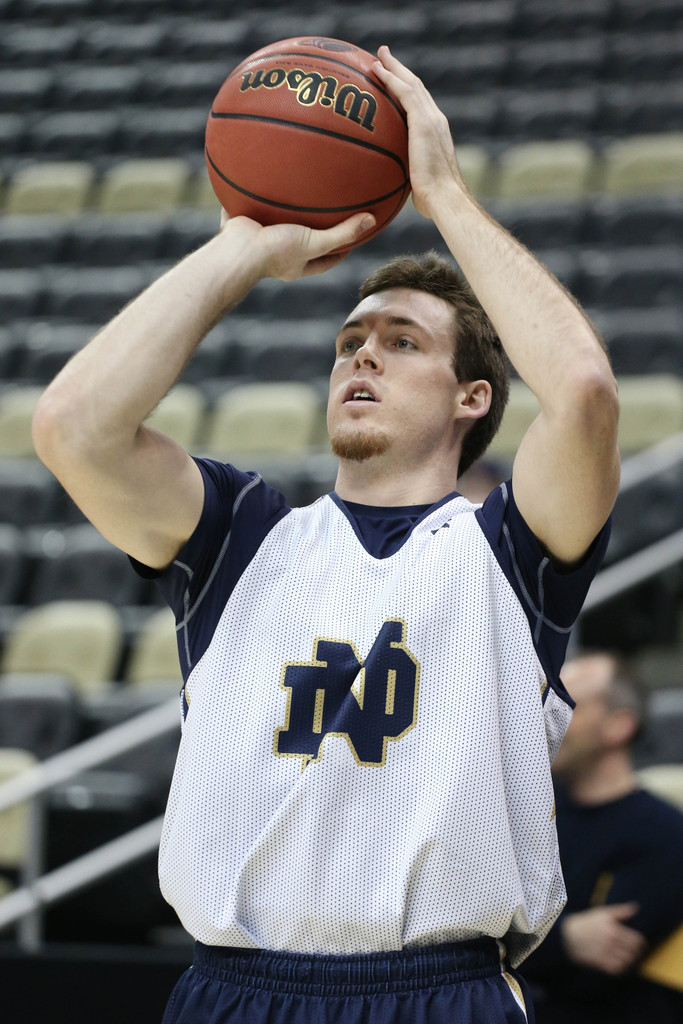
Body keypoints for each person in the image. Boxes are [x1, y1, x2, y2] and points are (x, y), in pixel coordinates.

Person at [31, 47, 620, 1024]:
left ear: (472, 397)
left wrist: (443, 196)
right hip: (233, 989)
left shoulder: (509, 553)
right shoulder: (240, 535)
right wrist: (244, 243)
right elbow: (72, 427)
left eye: (401, 342)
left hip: (440, 991)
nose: (361, 357)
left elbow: (585, 395)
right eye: (349, 342)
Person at [524, 652, 683, 1023]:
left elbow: (594, 977)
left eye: (568, 703)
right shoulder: (530, 811)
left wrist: (522, 941)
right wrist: (566, 939)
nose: (545, 717)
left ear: (618, 726)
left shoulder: (662, 833)